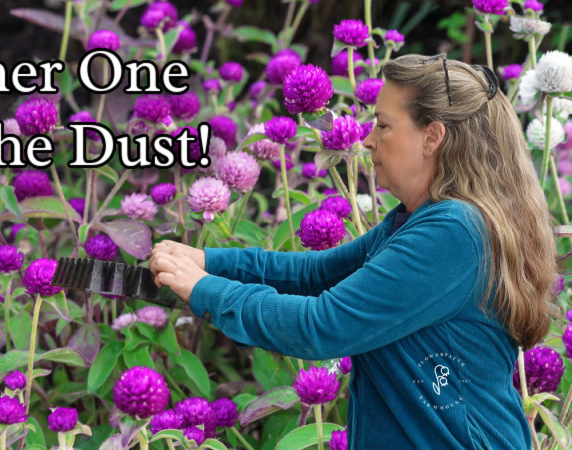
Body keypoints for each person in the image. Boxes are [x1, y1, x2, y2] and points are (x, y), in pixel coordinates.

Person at [149, 54, 561, 450]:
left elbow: (322, 326)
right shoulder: (421, 220)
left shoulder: (454, 232)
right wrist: (208, 262)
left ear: (432, 137)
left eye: (383, 125)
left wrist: (206, 290)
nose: (366, 139)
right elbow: (318, 275)